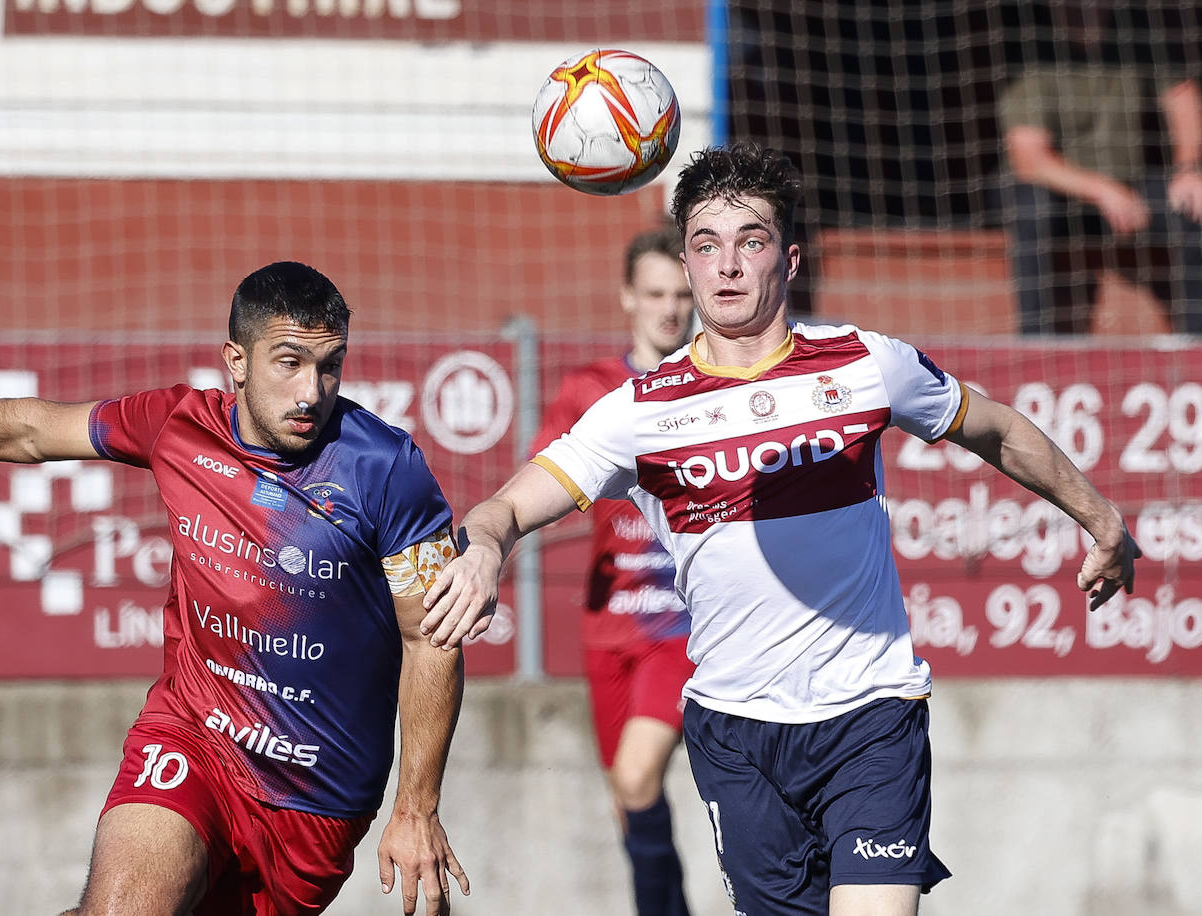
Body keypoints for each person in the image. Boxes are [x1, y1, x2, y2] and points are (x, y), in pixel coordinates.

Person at [419, 142, 1141, 916]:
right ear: (689, 264)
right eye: (706, 245)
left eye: (750, 242)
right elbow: (511, 504)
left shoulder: (865, 365)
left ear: (787, 260)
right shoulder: (640, 411)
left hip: (870, 716)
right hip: (736, 736)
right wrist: (487, 545)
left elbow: (995, 427)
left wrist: (1102, 521)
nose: (727, 266)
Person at [0, 261, 469, 916]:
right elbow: (35, 428)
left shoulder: (387, 468)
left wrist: (416, 809)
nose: (311, 391)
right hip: (193, 739)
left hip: (314, 803)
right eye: (289, 362)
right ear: (236, 361)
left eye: (330, 366)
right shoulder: (178, 426)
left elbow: (431, 636)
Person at [528, 224, 696, 916]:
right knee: (630, 801)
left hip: (683, 625)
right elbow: (543, 481)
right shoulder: (591, 390)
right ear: (628, 296)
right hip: (608, 627)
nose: (671, 308)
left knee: (636, 774)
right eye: (656, 293)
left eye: (683, 294)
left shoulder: (710, 388)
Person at [1000, 1, 1202, 334]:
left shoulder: (1135, 39)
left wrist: (1189, 169)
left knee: (1194, 205)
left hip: (1130, 191)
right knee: (1030, 207)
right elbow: (1029, 159)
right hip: (1061, 194)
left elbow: (1181, 95)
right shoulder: (1035, 55)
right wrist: (1103, 191)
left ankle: (1195, 343)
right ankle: (1035, 343)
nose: (1087, 10)